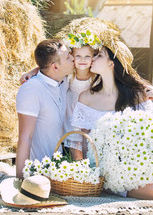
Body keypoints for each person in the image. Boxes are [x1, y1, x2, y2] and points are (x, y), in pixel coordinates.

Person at [70, 42, 153, 199]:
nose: (93, 58)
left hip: (142, 158)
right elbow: (82, 141)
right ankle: (116, 187)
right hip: (113, 167)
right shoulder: (86, 97)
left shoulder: (136, 94)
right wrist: (91, 172)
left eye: (99, 55)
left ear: (112, 63)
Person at [20, 31, 103, 161]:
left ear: (93, 58)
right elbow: (50, 66)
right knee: (76, 155)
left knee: (92, 152)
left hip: (89, 117)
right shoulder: (69, 74)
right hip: (72, 117)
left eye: (87, 56)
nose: (82, 60)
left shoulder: (96, 75)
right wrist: (32, 71)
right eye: (77, 56)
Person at [15, 39, 74, 179]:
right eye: (68, 57)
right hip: (38, 173)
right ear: (54, 67)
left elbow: (47, 67)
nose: (73, 58)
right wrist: (20, 181)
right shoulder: (32, 89)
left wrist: (35, 70)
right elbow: (25, 138)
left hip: (59, 170)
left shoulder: (63, 80)